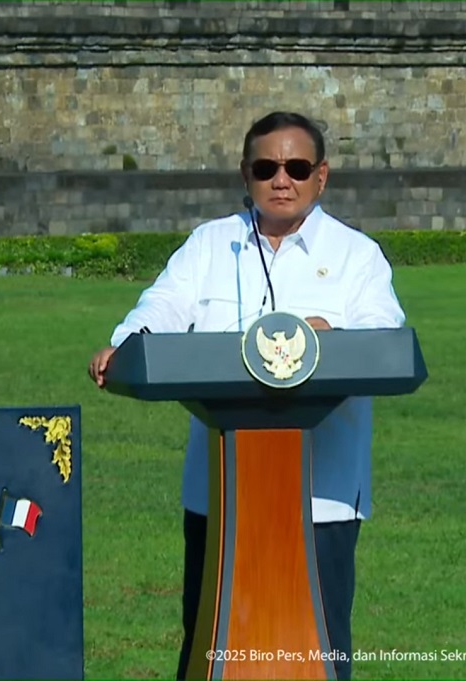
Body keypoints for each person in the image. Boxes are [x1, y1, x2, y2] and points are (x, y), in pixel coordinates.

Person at [88, 111, 405, 680]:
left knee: (318, 646)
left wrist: (330, 340)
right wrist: (127, 342)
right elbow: (160, 308)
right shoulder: (210, 245)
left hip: (322, 499)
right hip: (222, 497)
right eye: (266, 167)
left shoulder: (359, 255)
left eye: (297, 167)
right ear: (246, 174)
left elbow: (384, 337)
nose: (281, 179)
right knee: (211, 643)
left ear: (322, 176)